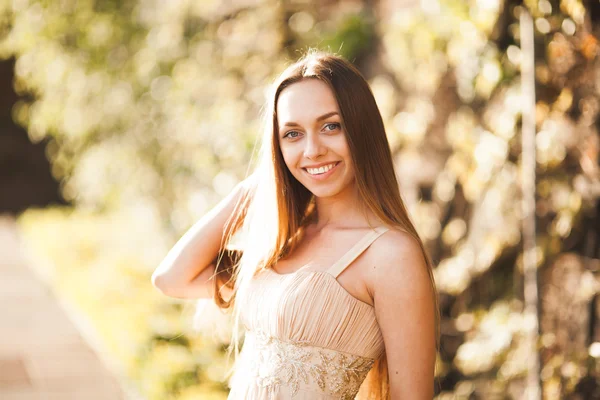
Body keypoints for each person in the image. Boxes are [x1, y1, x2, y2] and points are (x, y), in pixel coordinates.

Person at [152, 50, 439, 400]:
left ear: (362, 130)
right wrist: (250, 191)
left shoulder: (391, 253)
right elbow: (171, 278)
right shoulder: (282, 241)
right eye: (292, 134)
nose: (312, 150)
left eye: (330, 126)